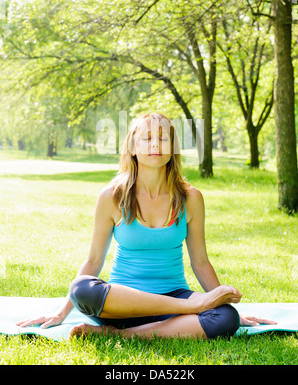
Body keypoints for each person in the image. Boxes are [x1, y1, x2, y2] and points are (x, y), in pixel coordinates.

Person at [17, 112, 275, 340]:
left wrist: (219, 302)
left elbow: (201, 262)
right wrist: (62, 312)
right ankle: (188, 312)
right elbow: (93, 262)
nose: (155, 144)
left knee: (226, 318)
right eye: (147, 138)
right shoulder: (112, 197)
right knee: (81, 289)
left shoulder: (190, 198)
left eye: (163, 138)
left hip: (173, 302)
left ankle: (123, 336)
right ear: (132, 146)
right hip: (120, 305)